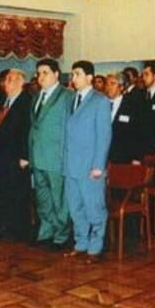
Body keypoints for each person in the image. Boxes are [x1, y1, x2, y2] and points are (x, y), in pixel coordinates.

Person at [63, 60, 112, 263]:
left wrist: (98, 166)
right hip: (70, 166)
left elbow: (104, 136)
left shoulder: (100, 101)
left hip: (90, 167)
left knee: (94, 209)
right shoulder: (71, 99)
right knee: (75, 208)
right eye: (72, 74)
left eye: (77, 74)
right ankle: (81, 243)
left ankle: (95, 247)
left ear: (90, 77)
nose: (73, 78)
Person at [29, 58, 74, 250]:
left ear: (56, 74)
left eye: (45, 72)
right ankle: (46, 231)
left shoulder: (67, 95)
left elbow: (70, 128)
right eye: (38, 73)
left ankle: (61, 235)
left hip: (56, 157)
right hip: (38, 156)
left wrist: (67, 156)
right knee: (43, 199)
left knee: (59, 198)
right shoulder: (36, 96)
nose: (41, 77)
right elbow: (34, 128)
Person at [0, 69, 32, 240]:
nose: (5, 83)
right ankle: (2, 224)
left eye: (10, 79)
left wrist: (25, 156)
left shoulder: (27, 102)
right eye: (5, 80)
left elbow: (28, 131)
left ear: (20, 82)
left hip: (15, 154)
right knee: (1, 191)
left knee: (16, 192)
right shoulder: (2, 101)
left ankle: (17, 229)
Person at [105, 72, 147, 164]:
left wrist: (137, 157)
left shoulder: (132, 105)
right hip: (103, 157)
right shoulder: (100, 105)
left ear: (121, 87)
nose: (108, 87)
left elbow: (140, 133)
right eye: (107, 84)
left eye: (112, 84)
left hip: (124, 158)